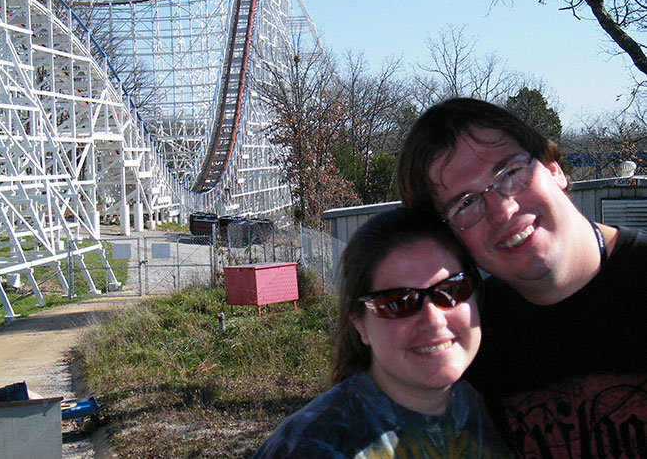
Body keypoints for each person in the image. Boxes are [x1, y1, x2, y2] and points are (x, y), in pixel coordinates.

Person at [397, 97, 647, 459]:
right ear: (450, 238)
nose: (503, 209)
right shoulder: (468, 343)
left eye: (511, 173)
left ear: (553, 169)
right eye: (465, 203)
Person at [252, 207, 515, 458]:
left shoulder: (503, 408)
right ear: (361, 325)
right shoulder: (311, 445)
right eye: (398, 303)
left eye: (452, 290)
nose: (434, 320)